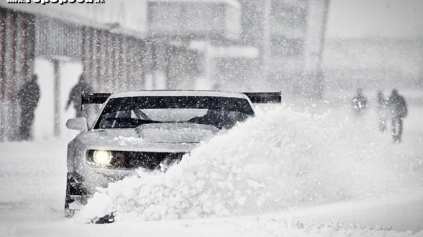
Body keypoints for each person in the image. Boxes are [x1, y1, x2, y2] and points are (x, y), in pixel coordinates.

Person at [17, 75, 40, 140]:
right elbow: (37, 97)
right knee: (27, 121)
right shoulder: (34, 87)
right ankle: (24, 134)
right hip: (29, 106)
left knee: (25, 120)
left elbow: (19, 93)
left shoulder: (28, 85)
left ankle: (23, 134)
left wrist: (22, 102)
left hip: (27, 106)